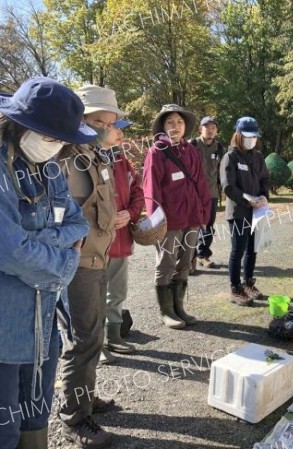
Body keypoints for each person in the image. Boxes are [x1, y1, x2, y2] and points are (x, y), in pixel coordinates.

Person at [0, 77, 91, 449]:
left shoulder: (49, 169)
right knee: (5, 426)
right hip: (5, 327)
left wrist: (44, 240)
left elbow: (78, 222)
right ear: (22, 126)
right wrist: (67, 263)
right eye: (50, 137)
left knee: (37, 413)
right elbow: (10, 251)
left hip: (43, 321)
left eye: (60, 140)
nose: (55, 146)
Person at [57, 84, 125, 448]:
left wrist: (111, 219)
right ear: (80, 119)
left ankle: (85, 398)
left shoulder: (96, 156)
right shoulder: (64, 158)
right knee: (82, 340)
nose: (107, 127)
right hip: (78, 263)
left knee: (94, 336)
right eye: (99, 120)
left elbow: (96, 203)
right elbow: (55, 213)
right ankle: (74, 418)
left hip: (100, 257)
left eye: (110, 121)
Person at [143, 104, 211, 329]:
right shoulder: (157, 152)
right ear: (163, 126)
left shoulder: (191, 150)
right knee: (166, 263)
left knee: (185, 262)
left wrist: (203, 214)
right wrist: (156, 223)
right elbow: (151, 190)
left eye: (180, 122)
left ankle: (179, 307)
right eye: (170, 122)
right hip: (169, 222)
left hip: (191, 218)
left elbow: (201, 184)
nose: (176, 126)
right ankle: (167, 311)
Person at [101, 119, 143, 357]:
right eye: (116, 127)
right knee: (91, 297)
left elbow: (138, 192)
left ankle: (113, 336)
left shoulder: (121, 160)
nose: (120, 133)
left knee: (117, 291)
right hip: (92, 245)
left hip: (120, 240)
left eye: (121, 128)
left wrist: (130, 213)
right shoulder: (81, 159)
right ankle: (94, 346)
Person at [219, 117, 270, 306]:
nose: (252, 140)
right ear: (239, 136)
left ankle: (248, 283)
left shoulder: (258, 157)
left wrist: (264, 196)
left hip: (256, 212)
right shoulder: (230, 157)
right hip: (239, 212)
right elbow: (228, 187)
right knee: (238, 249)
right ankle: (235, 287)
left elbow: (265, 179)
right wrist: (248, 200)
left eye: (254, 136)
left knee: (252, 249)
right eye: (248, 136)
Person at [190, 116, 225, 273]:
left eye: (213, 128)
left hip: (211, 193)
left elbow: (223, 171)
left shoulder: (219, 148)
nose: (210, 130)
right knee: (191, 225)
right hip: (192, 193)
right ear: (200, 129)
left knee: (208, 226)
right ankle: (189, 256)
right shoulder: (192, 145)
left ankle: (203, 255)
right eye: (207, 127)